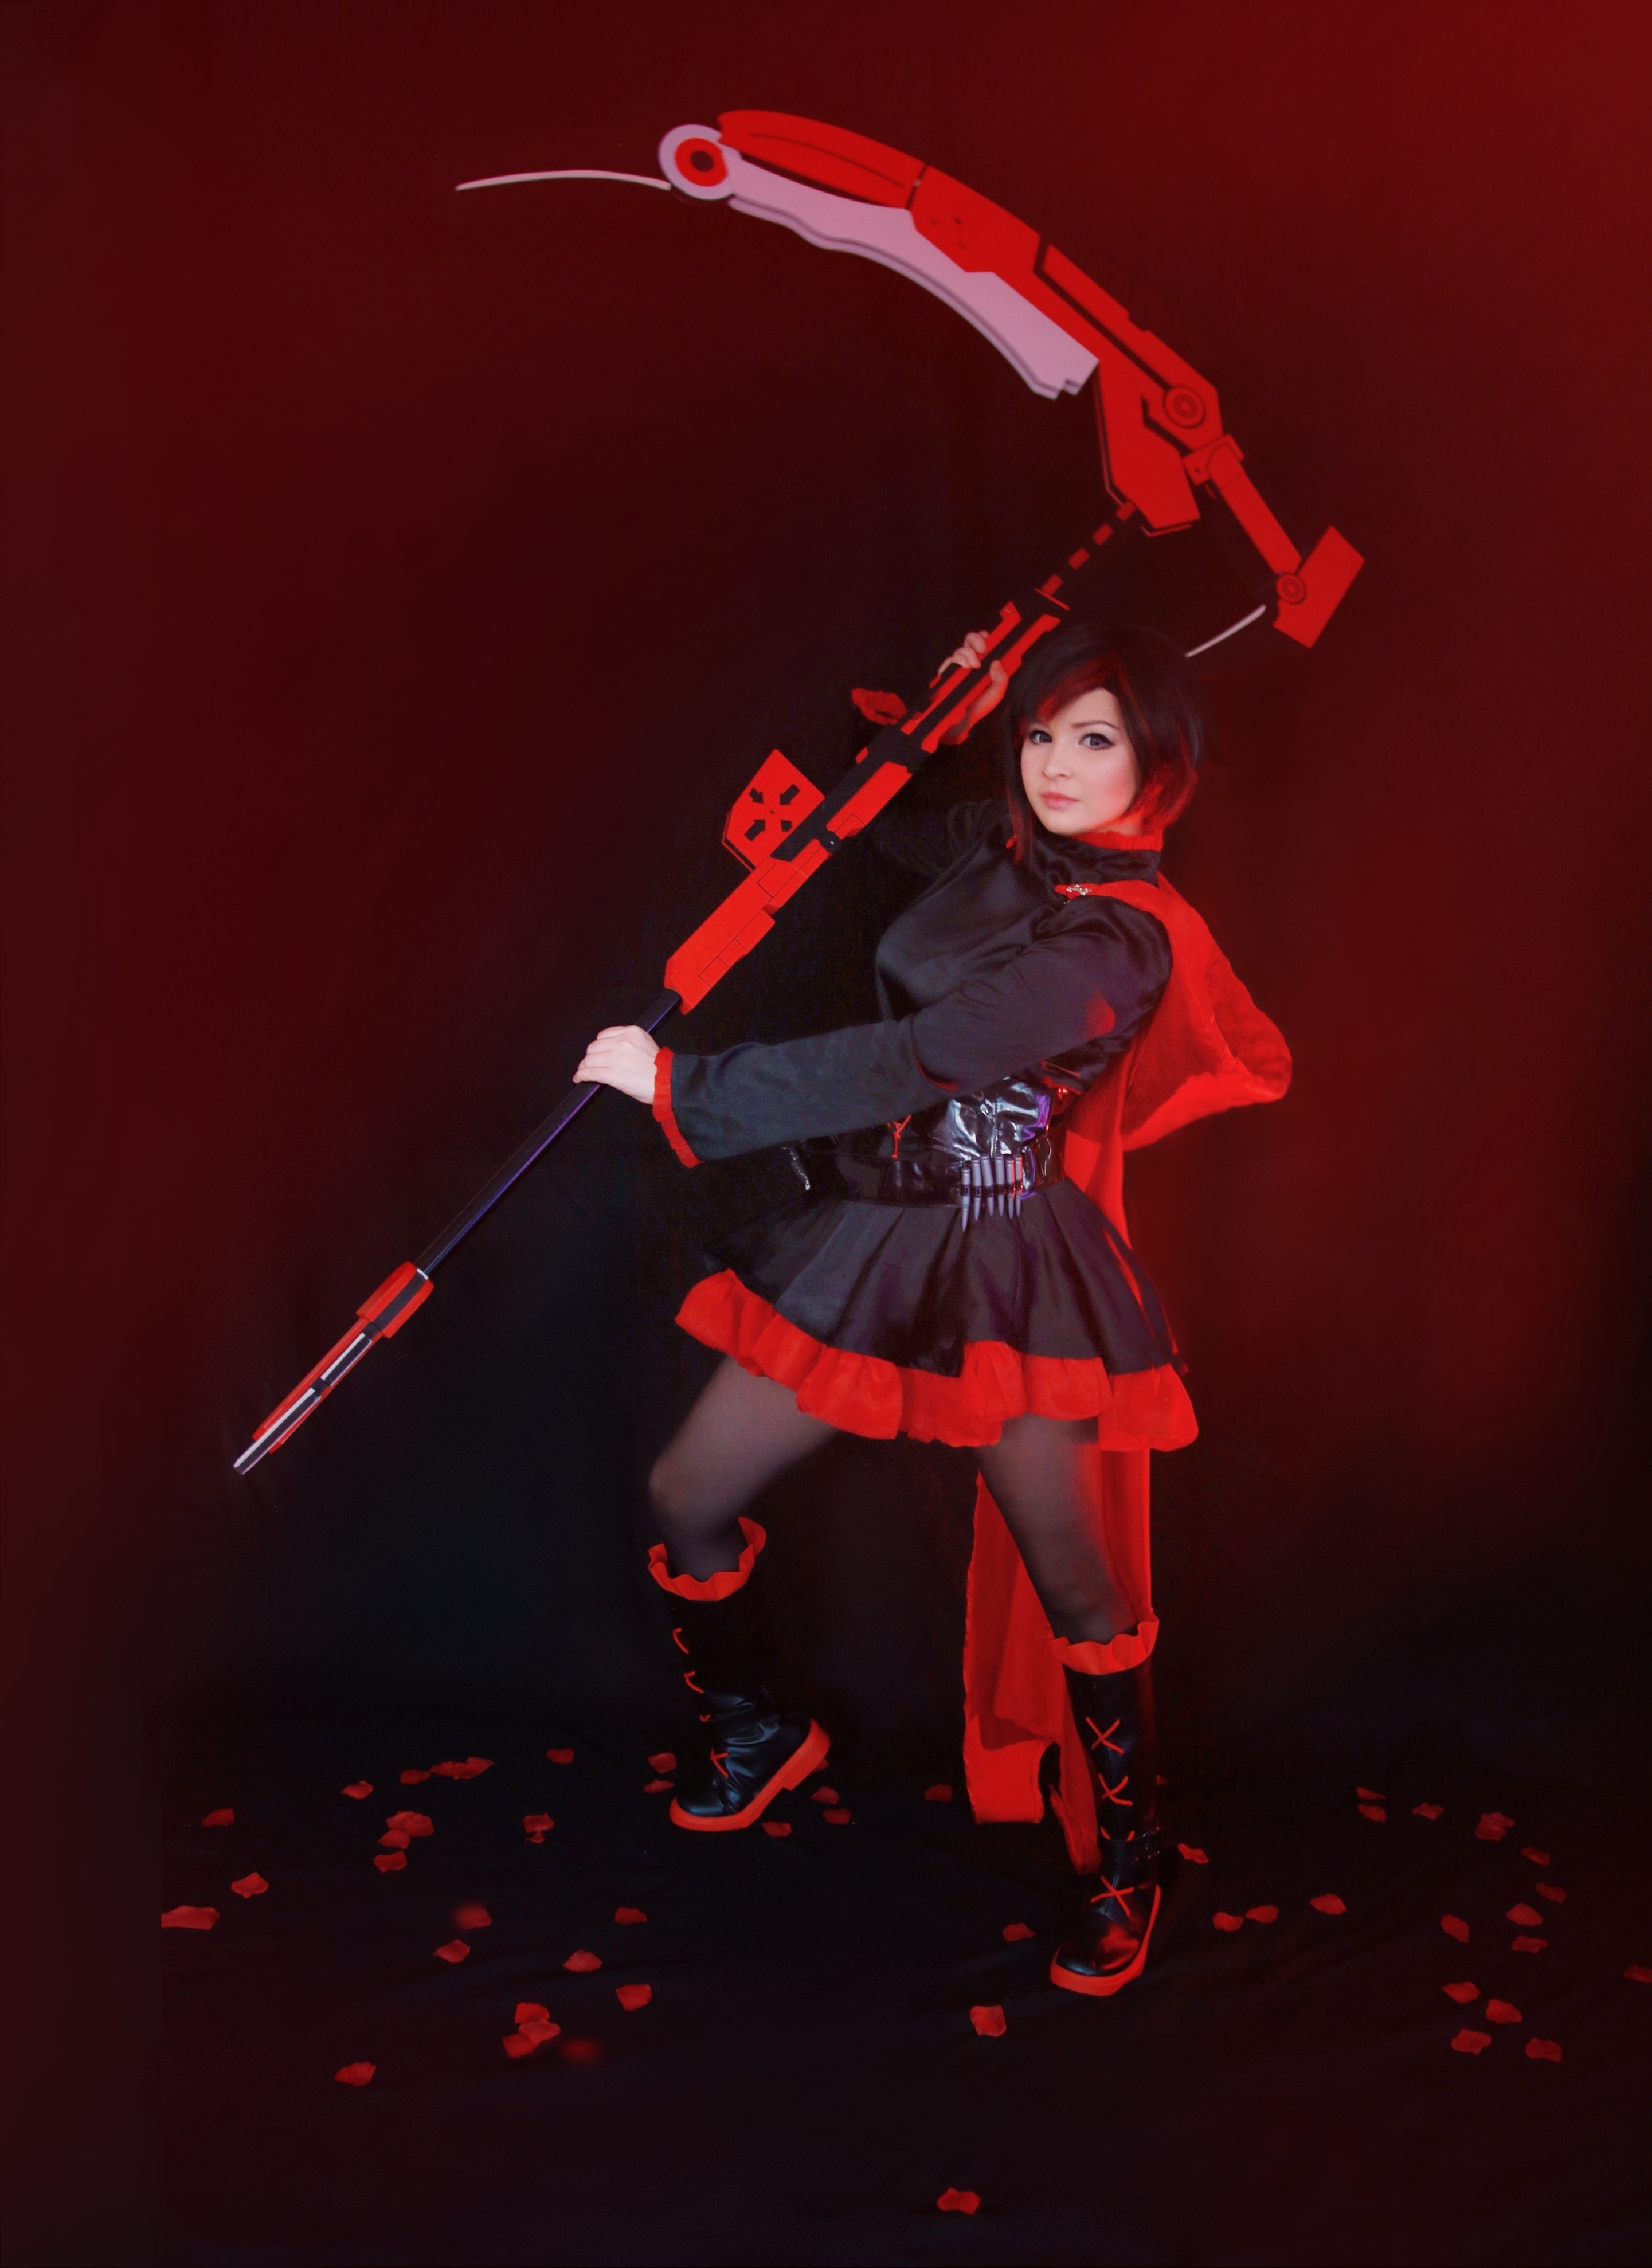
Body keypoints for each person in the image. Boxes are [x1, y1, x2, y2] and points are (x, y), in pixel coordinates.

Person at [574, 617, 1287, 1996]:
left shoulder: (1119, 940)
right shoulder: (1005, 839)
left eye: (1094, 738)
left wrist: (683, 1087)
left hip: (1010, 1264)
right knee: (687, 1491)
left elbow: (919, 1056)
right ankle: (758, 1730)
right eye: (1041, 734)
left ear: (1162, 766)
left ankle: (1131, 1858)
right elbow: (892, 837)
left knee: (1073, 1579)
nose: (1055, 765)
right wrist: (935, 720)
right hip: (871, 1235)